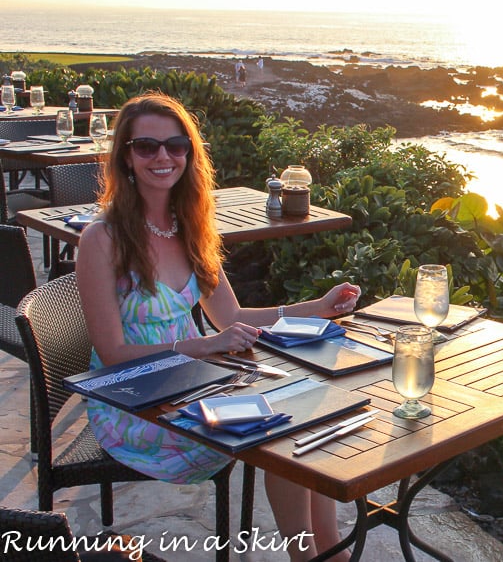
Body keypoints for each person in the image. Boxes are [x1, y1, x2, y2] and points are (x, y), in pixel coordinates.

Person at [76, 92, 359, 562]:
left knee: (308, 411)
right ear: (125, 155)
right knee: (284, 437)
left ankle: (329, 551)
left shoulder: (187, 227)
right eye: (146, 146)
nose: (163, 157)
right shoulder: (101, 239)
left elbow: (232, 318)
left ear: (190, 153)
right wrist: (204, 346)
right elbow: (112, 355)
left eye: (176, 145)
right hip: (132, 404)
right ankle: (310, 558)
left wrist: (320, 307)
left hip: (193, 385)